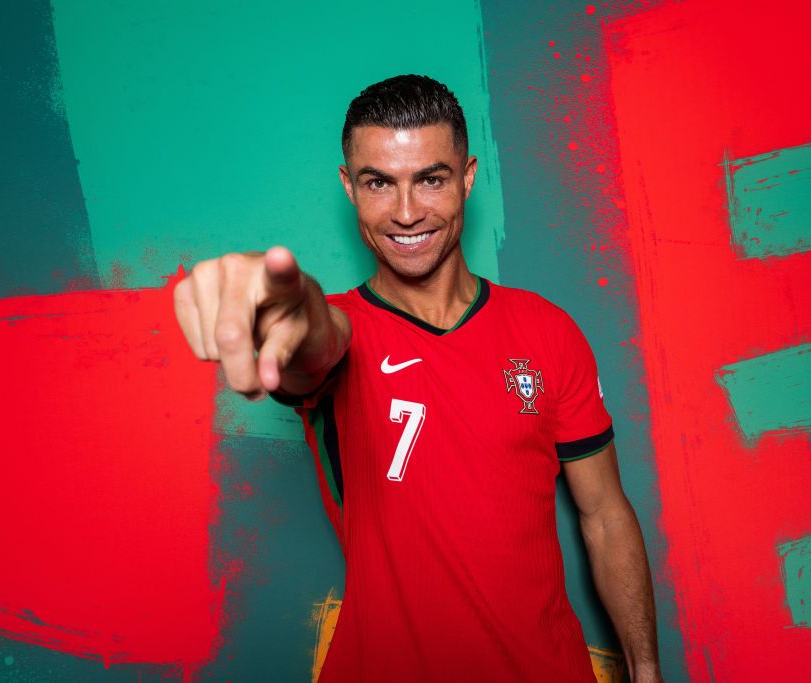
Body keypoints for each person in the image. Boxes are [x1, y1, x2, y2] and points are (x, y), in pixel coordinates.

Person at [174, 75, 662, 682]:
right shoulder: (339, 331)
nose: (406, 213)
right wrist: (283, 300)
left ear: (467, 176)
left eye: (430, 178)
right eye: (380, 182)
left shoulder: (547, 330)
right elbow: (315, 342)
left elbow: (605, 514)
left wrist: (646, 671)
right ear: (349, 187)